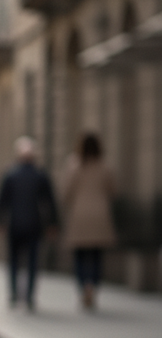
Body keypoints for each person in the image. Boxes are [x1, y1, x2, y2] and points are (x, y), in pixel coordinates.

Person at [0, 137, 58, 310]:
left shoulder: (10, 175)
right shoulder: (40, 175)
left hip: (14, 224)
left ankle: (14, 293)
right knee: (32, 261)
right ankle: (29, 295)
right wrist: (52, 223)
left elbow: (2, 201)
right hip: (34, 224)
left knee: (14, 260)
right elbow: (50, 201)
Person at [63, 133, 116, 310]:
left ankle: (83, 286)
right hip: (100, 214)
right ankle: (92, 286)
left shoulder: (74, 165)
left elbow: (67, 191)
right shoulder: (104, 166)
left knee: (80, 254)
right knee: (96, 255)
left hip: (80, 214)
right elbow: (112, 190)